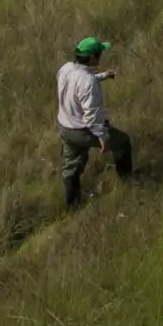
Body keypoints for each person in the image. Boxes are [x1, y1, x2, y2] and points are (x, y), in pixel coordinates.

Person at [57, 36, 133, 209]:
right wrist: (103, 138)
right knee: (122, 143)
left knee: (70, 167)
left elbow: (78, 83)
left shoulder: (65, 68)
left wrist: (102, 76)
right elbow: (92, 116)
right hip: (83, 130)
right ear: (92, 58)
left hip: (65, 127)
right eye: (99, 53)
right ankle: (127, 183)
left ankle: (72, 205)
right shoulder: (88, 83)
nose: (101, 56)